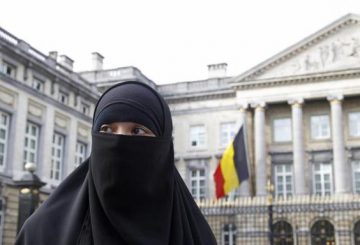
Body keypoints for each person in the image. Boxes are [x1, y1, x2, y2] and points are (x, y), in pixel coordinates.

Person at [16, 81, 217, 245]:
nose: (119, 142)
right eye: (107, 130)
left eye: (137, 131)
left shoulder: (194, 235)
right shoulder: (42, 233)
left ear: (163, 144)